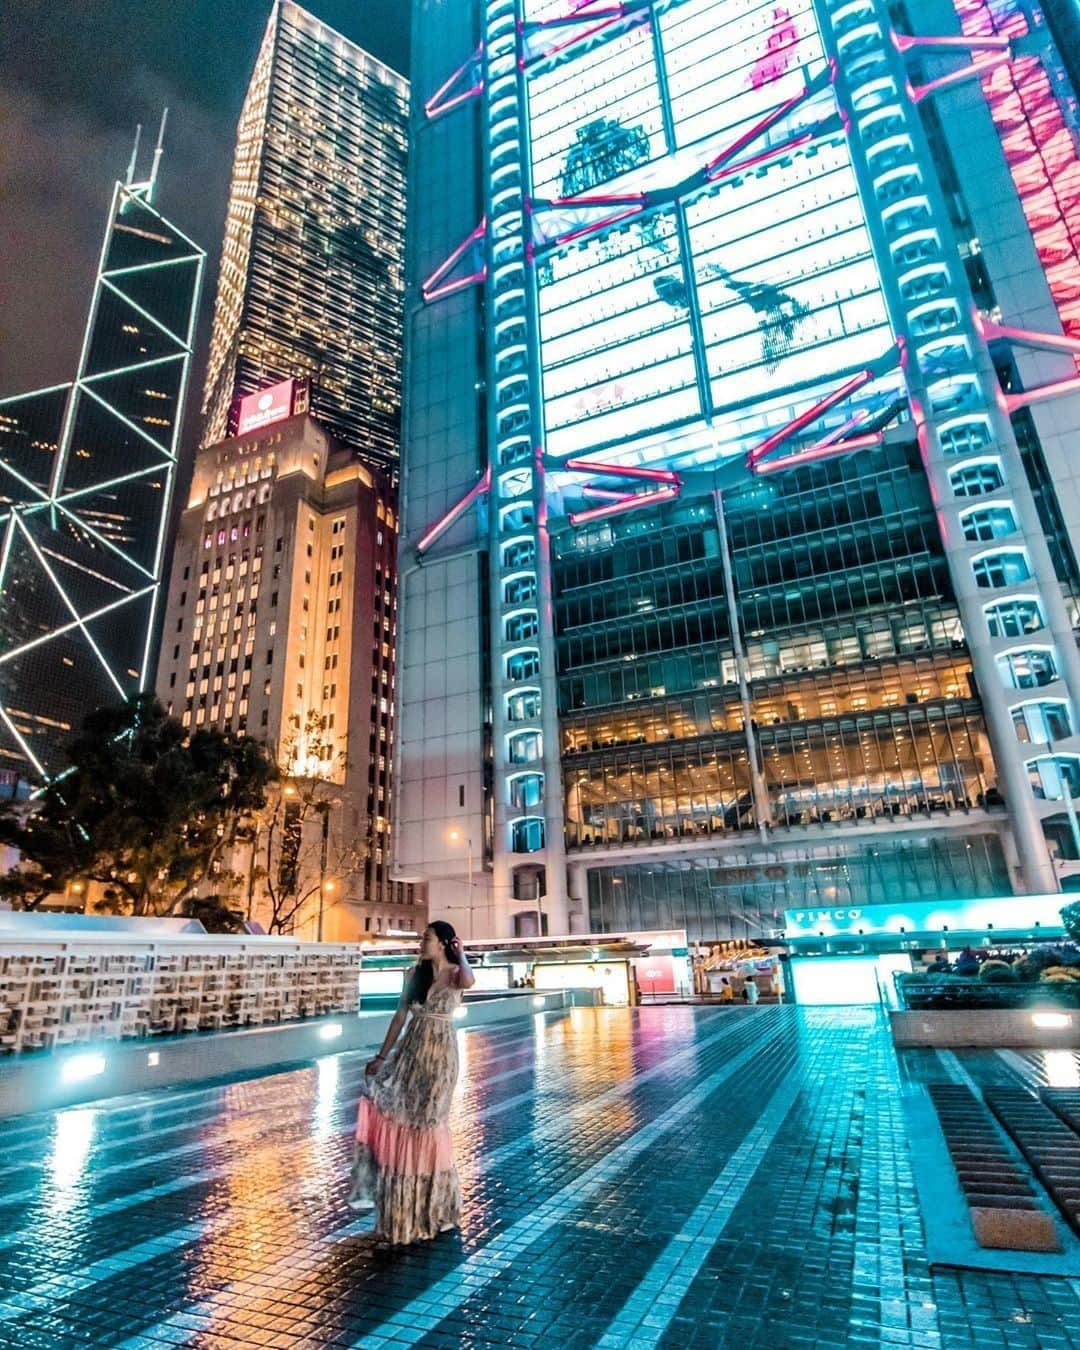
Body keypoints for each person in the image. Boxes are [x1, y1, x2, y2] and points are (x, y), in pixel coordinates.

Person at [348, 920, 475, 1244]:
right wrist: (380, 1056)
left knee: (429, 1124)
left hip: (441, 1058)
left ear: (444, 942)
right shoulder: (413, 974)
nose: (422, 943)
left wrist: (461, 954)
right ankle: (405, 1210)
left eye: (428, 938)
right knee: (400, 1116)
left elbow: (470, 981)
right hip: (410, 1053)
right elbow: (400, 1016)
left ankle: (435, 1208)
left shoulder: (456, 974)